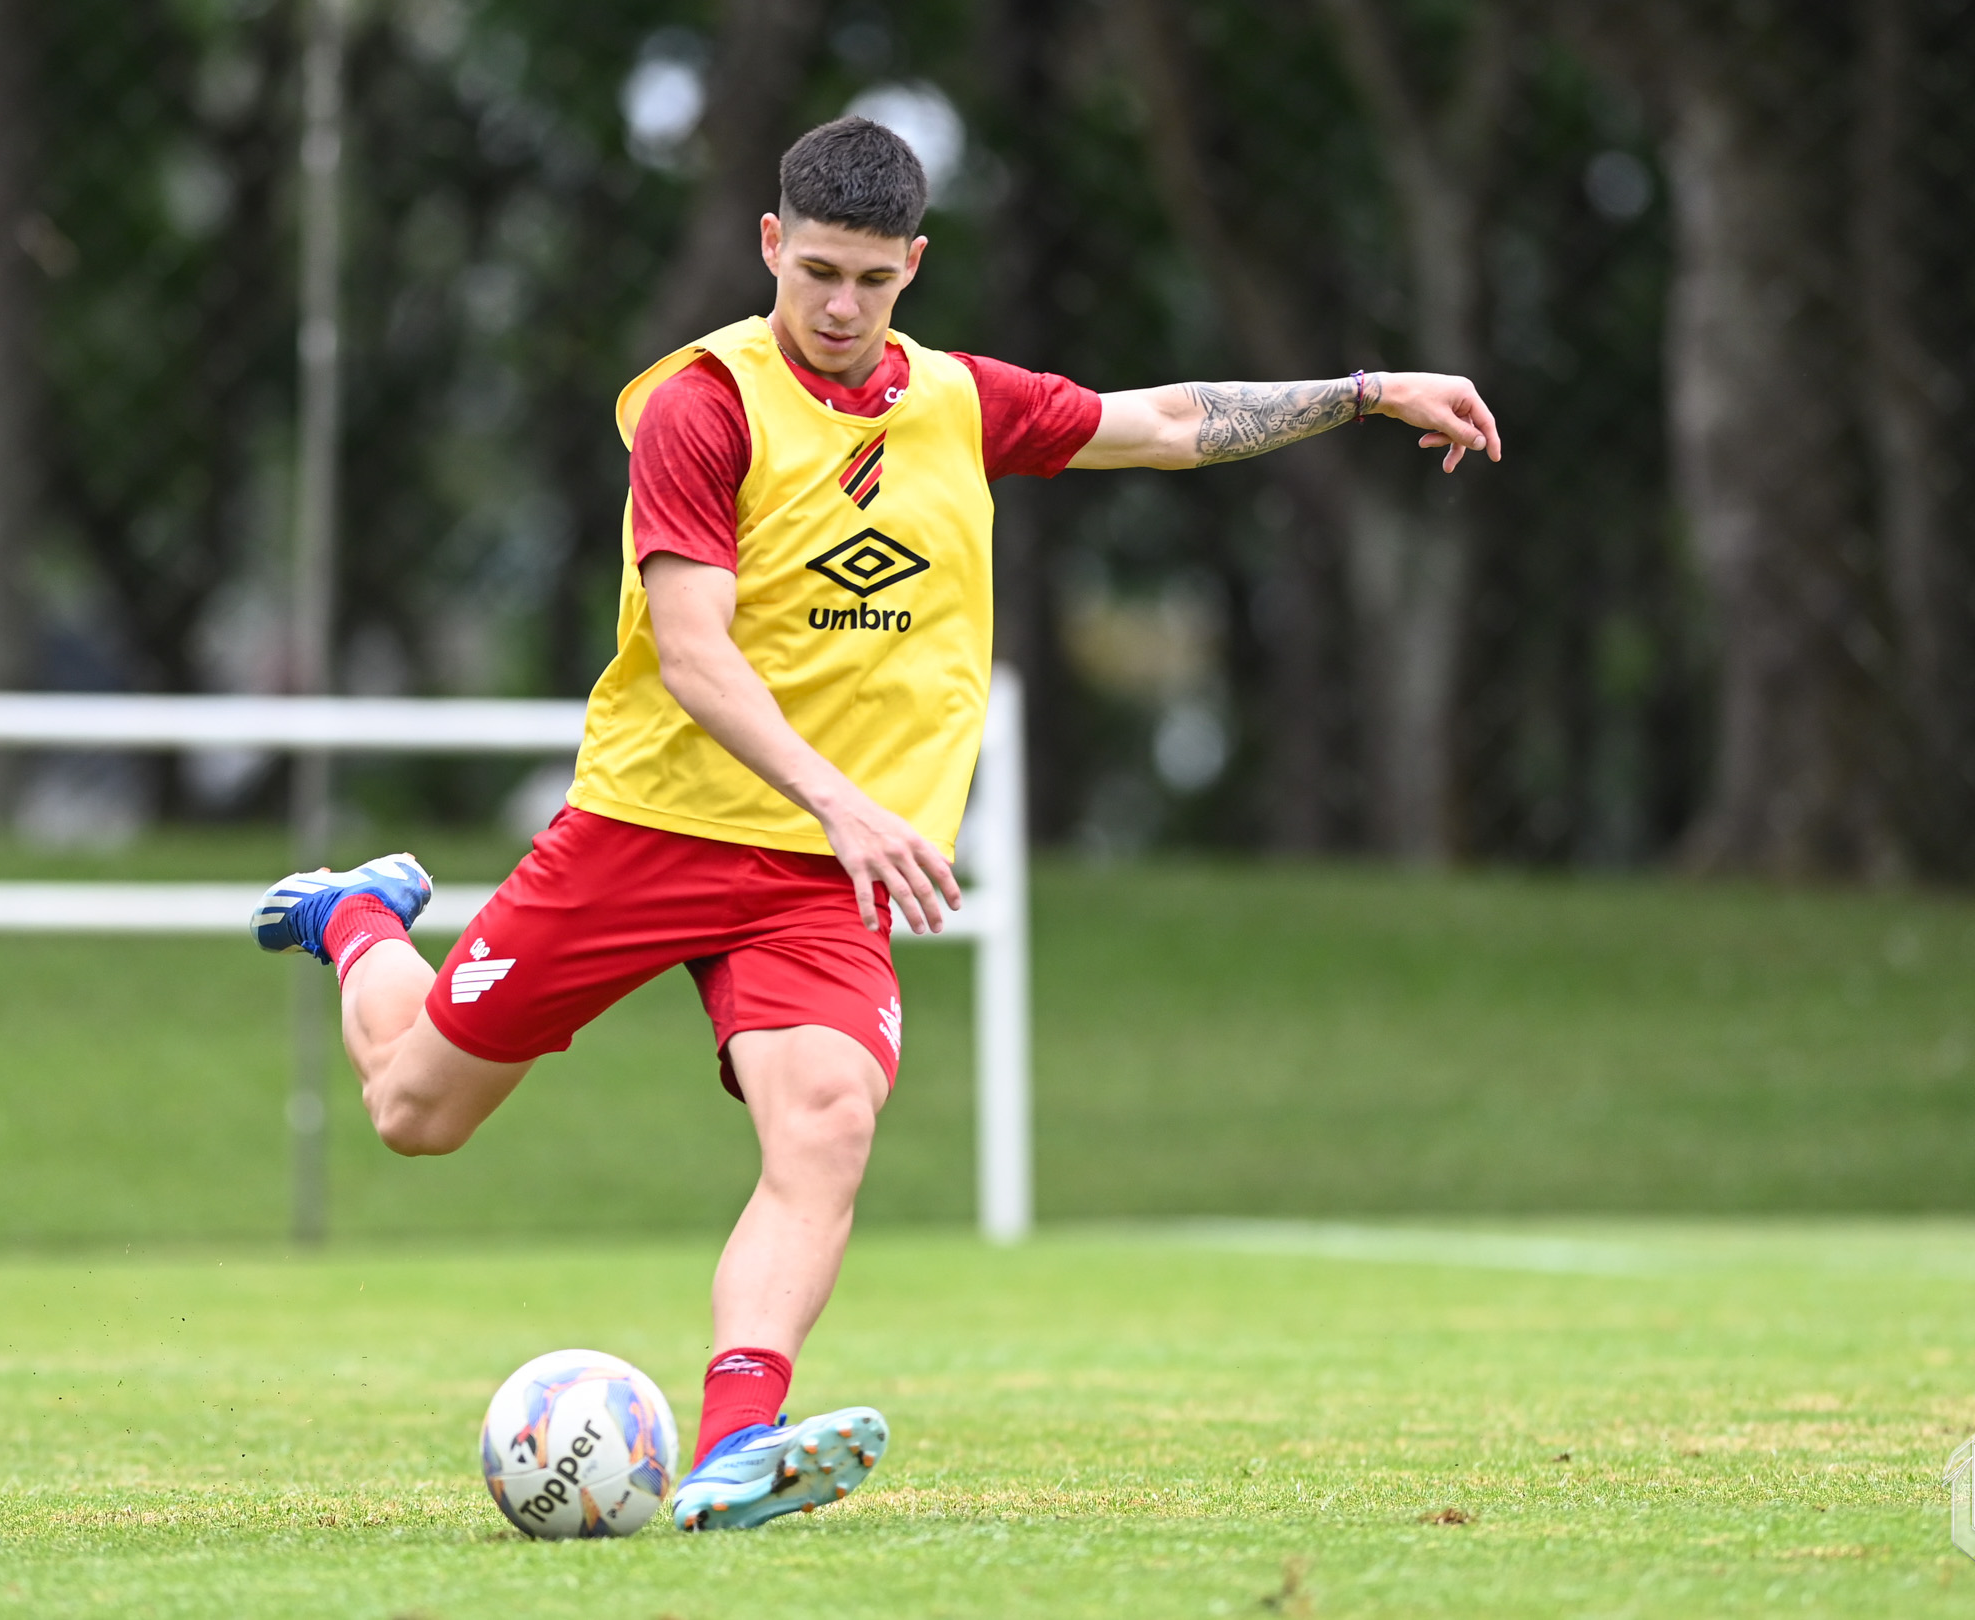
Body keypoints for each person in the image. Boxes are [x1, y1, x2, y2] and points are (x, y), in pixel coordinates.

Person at [253, 115, 1501, 1532]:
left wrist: (1367, 390)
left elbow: (1160, 422)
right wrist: (848, 802)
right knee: (414, 1112)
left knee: (827, 1124)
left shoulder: (959, 402)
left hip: (818, 877)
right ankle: (361, 917)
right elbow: (695, 654)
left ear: (913, 265)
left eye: (871, 279)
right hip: (655, 826)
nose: (841, 308)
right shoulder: (704, 408)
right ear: (771, 245)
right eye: (817, 274)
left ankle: (737, 1443)